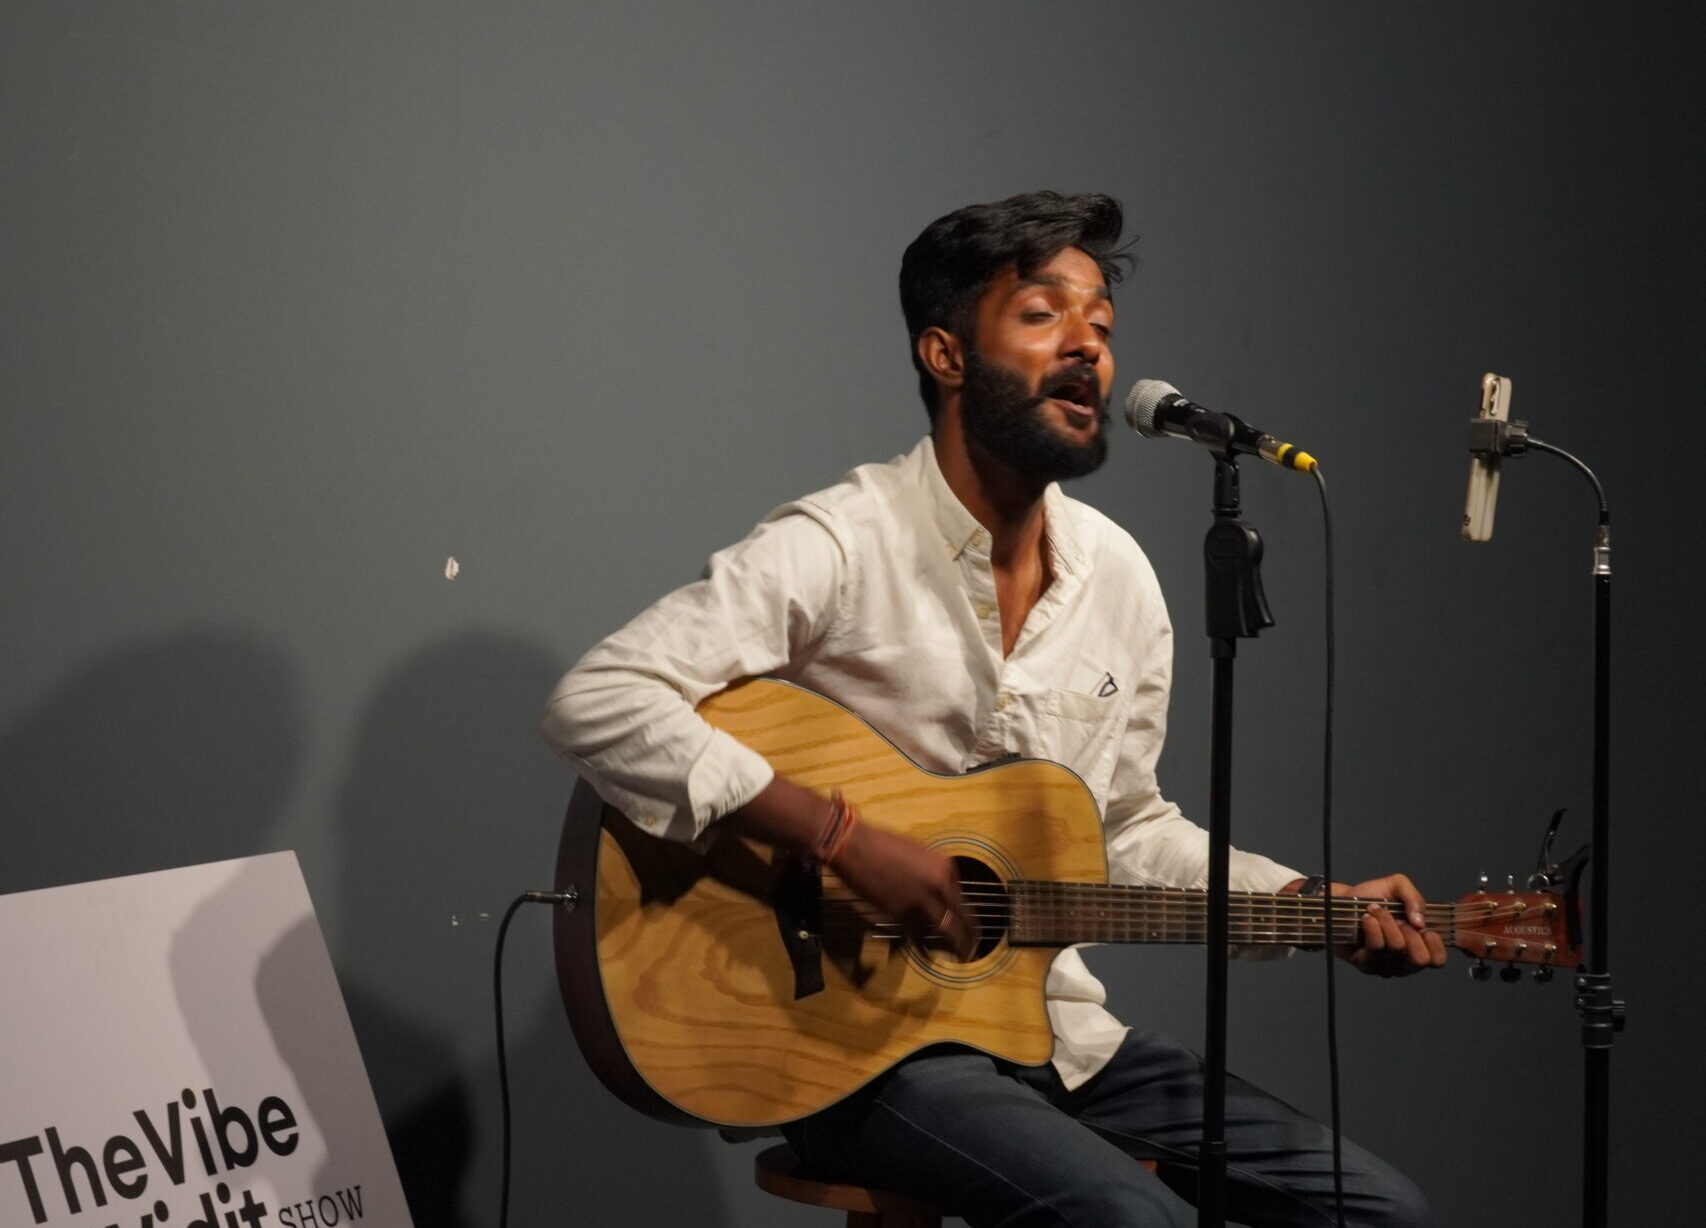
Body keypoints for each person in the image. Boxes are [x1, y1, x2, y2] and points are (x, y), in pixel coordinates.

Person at [543, 191, 1443, 1226]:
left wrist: (1309, 905)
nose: (1087, 348)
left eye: (1100, 326)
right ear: (945, 354)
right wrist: (840, 836)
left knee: (1382, 1212)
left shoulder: (1119, 576)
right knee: (1128, 1222)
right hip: (856, 1049)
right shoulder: (842, 541)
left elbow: (1125, 829)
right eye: (1042, 314)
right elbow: (598, 699)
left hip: (1057, 1035)